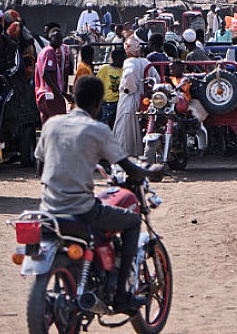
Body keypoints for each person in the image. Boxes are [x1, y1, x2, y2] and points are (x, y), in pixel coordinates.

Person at [36, 75, 162, 313]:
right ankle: (123, 296)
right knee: (133, 221)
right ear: (97, 104)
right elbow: (130, 169)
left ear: (73, 99)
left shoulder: (51, 125)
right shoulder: (97, 129)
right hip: (82, 211)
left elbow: (40, 168)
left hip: (48, 210)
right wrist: (151, 171)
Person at [113, 36, 159, 157]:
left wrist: (130, 88)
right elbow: (157, 79)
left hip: (129, 98)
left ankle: (126, 154)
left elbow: (129, 76)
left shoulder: (129, 62)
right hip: (143, 98)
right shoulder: (146, 62)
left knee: (125, 128)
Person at [35, 29, 72, 124]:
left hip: (42, 95)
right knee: (59, 124)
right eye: (56, 38)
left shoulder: (43, 52)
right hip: (50, 95)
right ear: (50, 39)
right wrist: (59, 94)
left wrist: (64, 94)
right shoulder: (50, 52)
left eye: (60, 39)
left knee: (47, 125)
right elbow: (46, 75)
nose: (59, 41)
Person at [96, 48, 124, 128]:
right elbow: (98, 84)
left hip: (119, 102)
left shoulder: (123, 70)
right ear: (115, 59)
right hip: (106, 103)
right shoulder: (105, 68)